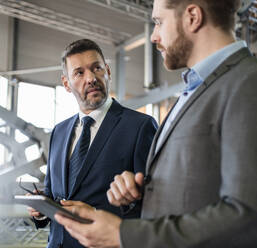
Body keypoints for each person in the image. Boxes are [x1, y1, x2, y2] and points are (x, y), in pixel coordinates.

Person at [54, 0, 257, 247]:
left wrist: (123, 234)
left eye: (159, 22)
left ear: (192, 17)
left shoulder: (247, 84)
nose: (153, 36)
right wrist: (137, 192)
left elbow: (247, 217)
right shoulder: (197, 89)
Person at [28, 39, 158, 248]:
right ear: (66, 84)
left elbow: (153, 204)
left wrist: (97, 215)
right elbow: (53, 195)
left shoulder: (140, 126)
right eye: (79, 73)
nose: (90, 78)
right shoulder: (58, 132)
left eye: (96, 68)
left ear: (107, 71)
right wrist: (41, 212)